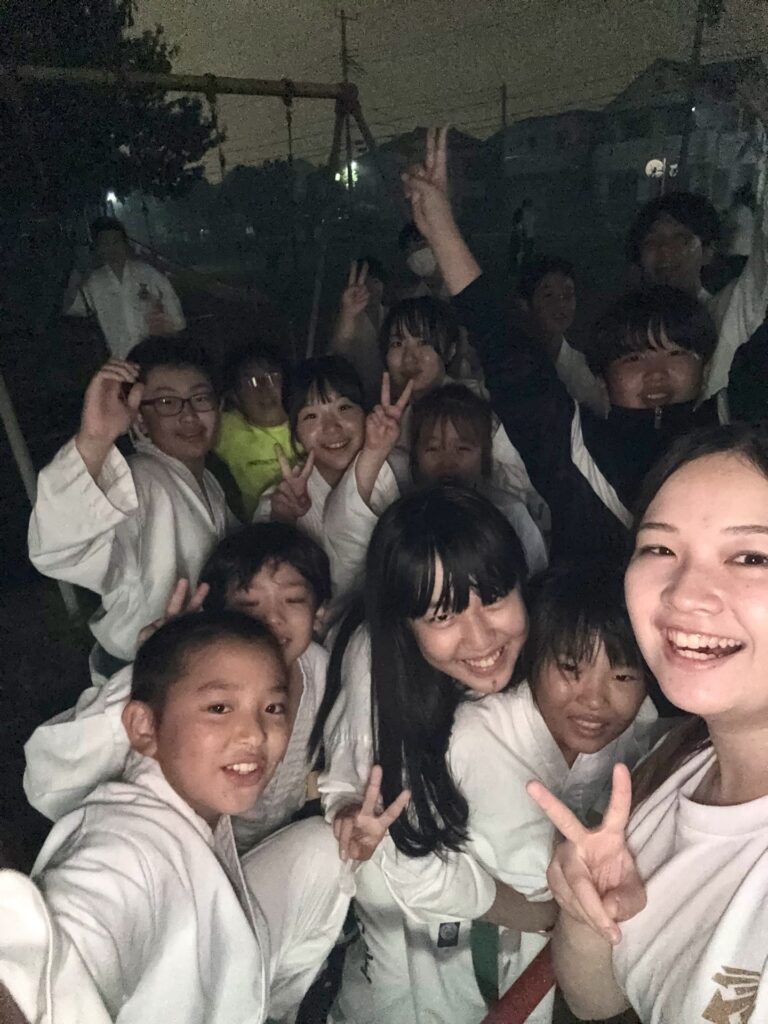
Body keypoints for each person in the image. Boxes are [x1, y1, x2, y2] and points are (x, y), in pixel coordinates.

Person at [320, 491, 659, 1024]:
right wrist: (546, 914)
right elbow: (383, 824)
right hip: (416, 898)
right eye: (442, 615)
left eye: (496, 598)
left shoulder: (562, 658)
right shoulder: (384, 678)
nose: (480, 637)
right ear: (404, 625)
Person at [528, 423, 768, 1023]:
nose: (684, 594)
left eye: (751, 557)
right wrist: (589, 911)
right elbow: (598, 1001)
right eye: (660, 549)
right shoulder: (677, 760)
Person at [7, 612, 353, 1023]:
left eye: (273, 707)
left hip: (220, 961)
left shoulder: (190, 798)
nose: (255, 733)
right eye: (219, 707)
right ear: (144, 727)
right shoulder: (128, 849)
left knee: (326, 849)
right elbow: (53, 961)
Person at [402, 127, 718, 563]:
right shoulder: (575, 449)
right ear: (602, 377)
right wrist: (441, 230)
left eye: (677, 353)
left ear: (705, 366)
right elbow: (504, 349)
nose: (656, 373)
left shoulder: (732, 450)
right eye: (633, 358)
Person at [28, 336, 237, 674]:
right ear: (140, 421)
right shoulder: (139, 480)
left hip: (198, 655)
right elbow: (58, 548)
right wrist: (94, 439)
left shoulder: (208, 480)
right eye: (167, 402)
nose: (188, 416)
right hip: (143, 669)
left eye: (200, 399)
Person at [322, 380, 547, 596]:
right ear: (415, 458)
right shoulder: (399, 519)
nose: (447, 462)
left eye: (463, 448)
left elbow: (534, 587)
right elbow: (345, 536)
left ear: (484, 456)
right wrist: (374, 450)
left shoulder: (509, 513)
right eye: (433, 448)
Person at [378, 295, 546, 527]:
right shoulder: (388, 420)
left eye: (423, 342)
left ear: (450, 350)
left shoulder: (484, 405)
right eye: (397, 344)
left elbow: (527, 478)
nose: (409, 357)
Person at [627, 183, 768, 419]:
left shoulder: (728, 312)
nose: (665, 250)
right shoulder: (627, 331)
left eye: (681, 238)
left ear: (708, 251)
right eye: (652, 241)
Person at [255, 355, 368, 562]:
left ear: (365, 414)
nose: (331, 427)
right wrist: (284, 519)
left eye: (343, 408)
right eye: (311, 416)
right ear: (296, 432)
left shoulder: (393, 472)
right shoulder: (277, 504)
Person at [63, 217, 185, 359]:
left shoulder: (147, 273)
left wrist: (170, 328)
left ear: (125, 244)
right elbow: (71, 309)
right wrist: (75, 277)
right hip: (119, 358)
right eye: (105, 243)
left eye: (116, 242)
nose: (112, 248)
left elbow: (173, 308)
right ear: (98, 248)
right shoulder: (93, 282)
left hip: (153, 355)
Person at [517, 256, 609, 416]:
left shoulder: (586, 368)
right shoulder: (508, 361)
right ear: (524, 304)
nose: (561, 304)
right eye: (548, 295)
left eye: (568, 295)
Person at [215, 342, 297, 518]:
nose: (263, 388)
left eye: (272, 376)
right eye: (250, 381)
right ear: (235, 396)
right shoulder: (226, 430)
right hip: (264, 528)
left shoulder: (309, 417)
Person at [331, 259, 388, 407]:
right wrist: (348, 314)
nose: (372, 289)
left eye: (376, 282)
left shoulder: (391, 315)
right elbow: (339, 350)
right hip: (359, 398)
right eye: (366, 284)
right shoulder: (347, 321)